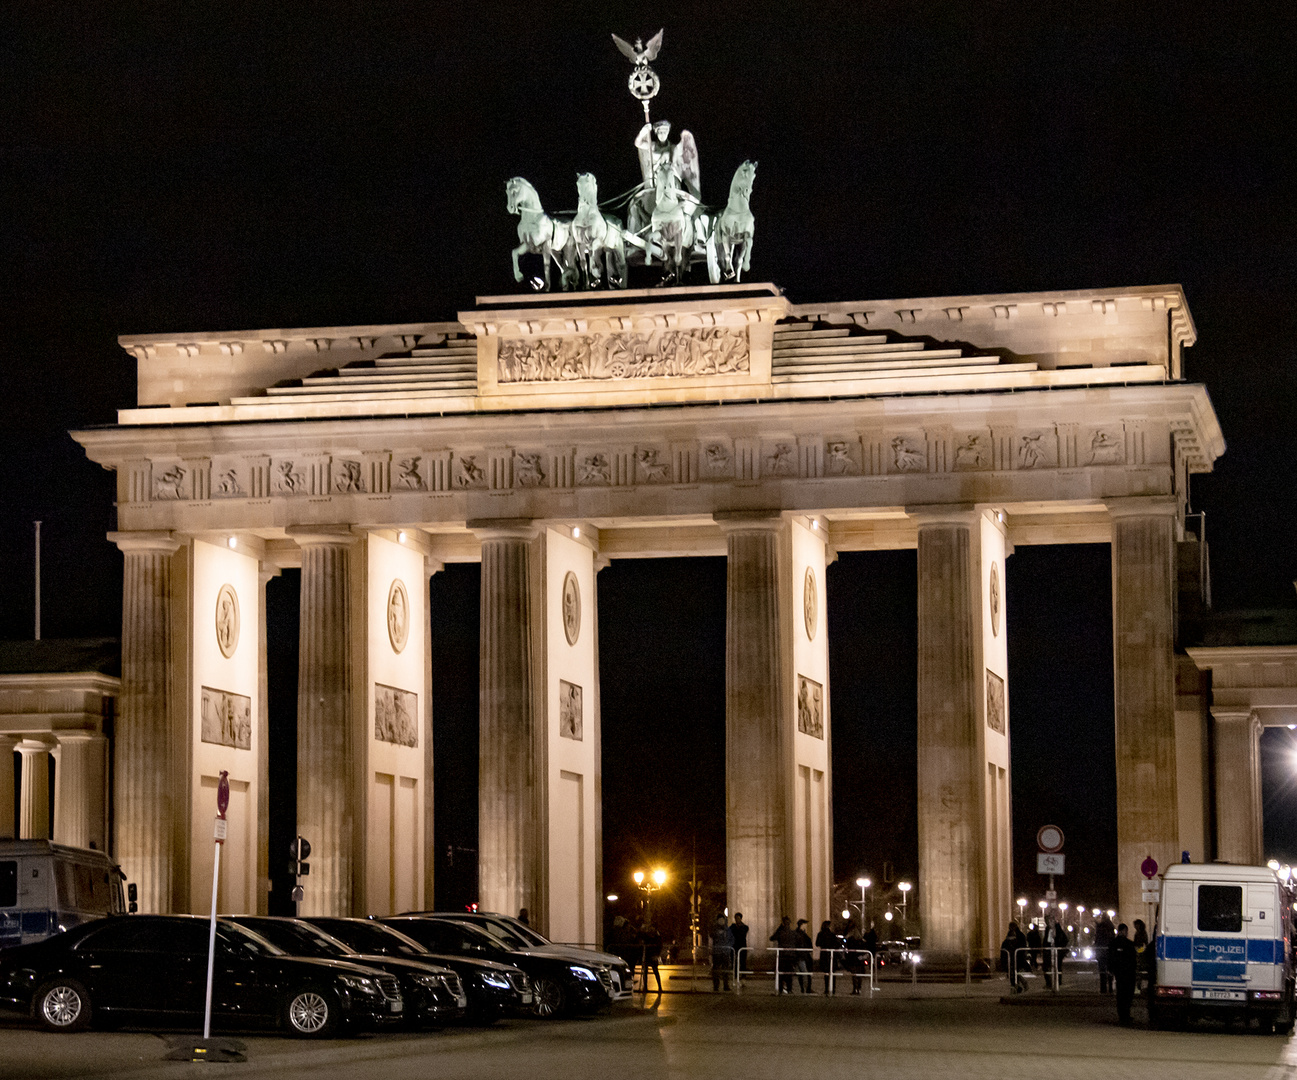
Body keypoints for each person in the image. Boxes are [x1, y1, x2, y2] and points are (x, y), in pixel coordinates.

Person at [1108, 922, 1138, 1025]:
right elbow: (1133, 959)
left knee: (1120, 994)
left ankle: (1122, 1015)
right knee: (1128, 994)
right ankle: (1126, 1014)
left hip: (1119, 973)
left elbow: (1110, 958)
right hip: (1128, 973)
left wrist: (1111, 969)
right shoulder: (1129, 944)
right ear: (1124, 931)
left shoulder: (1113, 943)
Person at [816, 920, 844, 995]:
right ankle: (833, 988)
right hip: (832, 956)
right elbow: (837, 944)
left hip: (824, 955)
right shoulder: (832, 935)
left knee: (826, 973)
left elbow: (817, 943)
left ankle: (826, 988)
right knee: (832, 973)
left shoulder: (820, 934)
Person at [770, 916, 797, 994]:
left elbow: (772, 938)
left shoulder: (780, 932)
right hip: (790, 955)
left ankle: (781, 989)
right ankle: (789, 989)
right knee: (789, 974)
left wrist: (779, 928)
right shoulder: (793, 933)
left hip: (782, 955)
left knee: (781, 974)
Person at [999, 922, 1026, 992]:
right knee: (1015, 973)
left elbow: (1003, 950)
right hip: (1015, 958)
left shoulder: (1016, 936)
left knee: (1014, 973)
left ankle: (1017, 986)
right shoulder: (1018, 935)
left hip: (1014, 958)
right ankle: (1017, 986)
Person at [638, 918, 663, 993]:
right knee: (646, 971)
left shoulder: (656, 935)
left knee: (655, 971)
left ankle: (659, 987)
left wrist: (657, 955)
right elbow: (642, 937)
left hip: (653, 954)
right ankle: (645, 987)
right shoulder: (650, 934)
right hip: (648, 954)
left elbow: (659, 945)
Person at [1044, 917, 1069, 989]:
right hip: (1049, 951)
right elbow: (1046, 940)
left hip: (1057, 951)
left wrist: (1060, 947)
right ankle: (1050, 982)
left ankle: (1057, 982)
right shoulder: (1048, 929)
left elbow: (1065, 939)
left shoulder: (1058, 930)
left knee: (1057, 967)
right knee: (1047, 967)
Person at [710, 915, 733, 992]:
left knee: (725, 970)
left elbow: (732, 939)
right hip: (717, 952)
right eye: (719, 920)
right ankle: (716, 986)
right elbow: (711, 935)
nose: (721, 921)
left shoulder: (728, 929)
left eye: (722, 920)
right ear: (717, 921)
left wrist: (729, 946)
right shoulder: (714, 929)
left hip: (725, 952)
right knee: (716, 969)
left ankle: (726, 985)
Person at [1094, 913, 1116, 993]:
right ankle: (1110, 987)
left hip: (1101, 951)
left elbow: (1097, 940)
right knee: (1110, 970)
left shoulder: (1100, 927)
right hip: (1109, 951)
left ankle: (1103, 988)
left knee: (1102, 971)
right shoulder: (1110, 926)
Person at [844, 927, 867, 995]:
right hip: (859, 959)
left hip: (853, 959)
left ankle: (855, 989)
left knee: (854, 975)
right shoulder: (861, 941)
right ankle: (859, 989)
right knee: (859, 975)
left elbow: (847, 948)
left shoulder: (851, 940)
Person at [793, 919, 814, 993]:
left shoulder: (801, 934)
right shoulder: (800, 934)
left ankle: (805, 988)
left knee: (803, 973)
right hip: (802, 956)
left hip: (804, 956)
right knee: (804, 973)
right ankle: (806, 988)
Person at [1132, 919, 1151, 992]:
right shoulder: (1140, 932)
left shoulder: (1141, 933)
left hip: (1140, 951)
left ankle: (1140, 984)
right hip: (1139, 951)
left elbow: (1143, 943)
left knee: (1140, 968)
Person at [730, 913, 749, 981]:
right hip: (735, 946)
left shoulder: (745, 927)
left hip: (742, 946)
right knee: (734, 962)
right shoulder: (732, 927)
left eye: (738, 918)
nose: (737, 920)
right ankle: (735, 975)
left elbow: (742, 934)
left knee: (742, 962)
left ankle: (743, 976)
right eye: (736, 918)